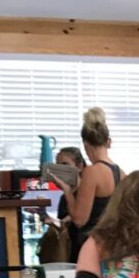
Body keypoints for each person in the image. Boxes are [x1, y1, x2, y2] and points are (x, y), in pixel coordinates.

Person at [52, 108, 121, 258]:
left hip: (92, 247)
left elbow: (79, 220)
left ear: (85, 145)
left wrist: (67, 190)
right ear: (108, 142)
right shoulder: (121, 173)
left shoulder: (92, 172)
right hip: (113, 246)